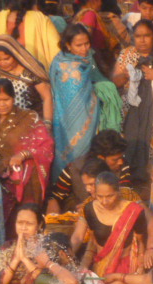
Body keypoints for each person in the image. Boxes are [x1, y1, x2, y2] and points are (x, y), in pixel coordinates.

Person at [0, 78, 53, 233]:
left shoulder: (29, 117)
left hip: (25, 182)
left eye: (6, 99)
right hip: (0, 184)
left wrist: (23, 155)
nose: (2, 104)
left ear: (14, 98)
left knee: (24, 223)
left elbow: (46, 146)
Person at [78, 172, 153, 284]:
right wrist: (84, 265)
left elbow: (140, 242)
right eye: (100, 196)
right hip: (102, 269)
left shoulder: (133, 211)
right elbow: (93, 241)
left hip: (128, 267)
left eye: (109, 196)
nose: (104, 201)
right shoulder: (89, 209)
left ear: (118, 192)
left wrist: (139, 270)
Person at [0, 203, 77, 284]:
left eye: (29, 224)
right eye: (20, 223)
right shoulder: (7, 248)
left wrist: (25, 259)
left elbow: (50, 283)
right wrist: (16, 260)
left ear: (39, 225)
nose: (23, 228)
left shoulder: (46, 247)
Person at [113, 19, 153, 183]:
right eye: (138, 36)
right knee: (129, 135)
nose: (142, 40)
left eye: (147, 36)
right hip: (131, 105)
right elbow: (114, 81)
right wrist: (124, 76)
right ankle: (129, 179)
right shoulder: (127, 54)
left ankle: (152, 178)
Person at [50, 24, 104, 182]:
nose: (84, 48)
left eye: (87, 43)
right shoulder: (60, 63)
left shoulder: (89, 59)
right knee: (70, 153)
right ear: (68, 45)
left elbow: (97, 78)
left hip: (87, 114)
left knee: (85, 155)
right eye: (78, 45)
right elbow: (63, 92)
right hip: (65, 119)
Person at [47, 129, 132, 214]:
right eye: (115, 160)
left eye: (121, 157)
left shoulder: (122, 167)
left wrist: (91, 206)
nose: (120, 162)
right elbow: (56, 196)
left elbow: (124, 195)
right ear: (101, 158)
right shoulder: (73, 169)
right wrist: (53, 207)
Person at [68, 158, 144, 253]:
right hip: (103, 257)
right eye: (86, 185)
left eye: (91, 184)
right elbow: (78, 236)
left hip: (130, 255)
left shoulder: (128, 195)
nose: (88, 189)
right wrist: (67, 256)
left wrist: (150, 248)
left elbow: (148, 221)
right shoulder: (88, 206)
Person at [0, 34, 52, 124]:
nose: (2, 63)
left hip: (30, 124)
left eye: (6, 59)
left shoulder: (31, 71)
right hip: (3, 124)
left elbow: (47, 97)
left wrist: (47, 123)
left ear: (15, 55)